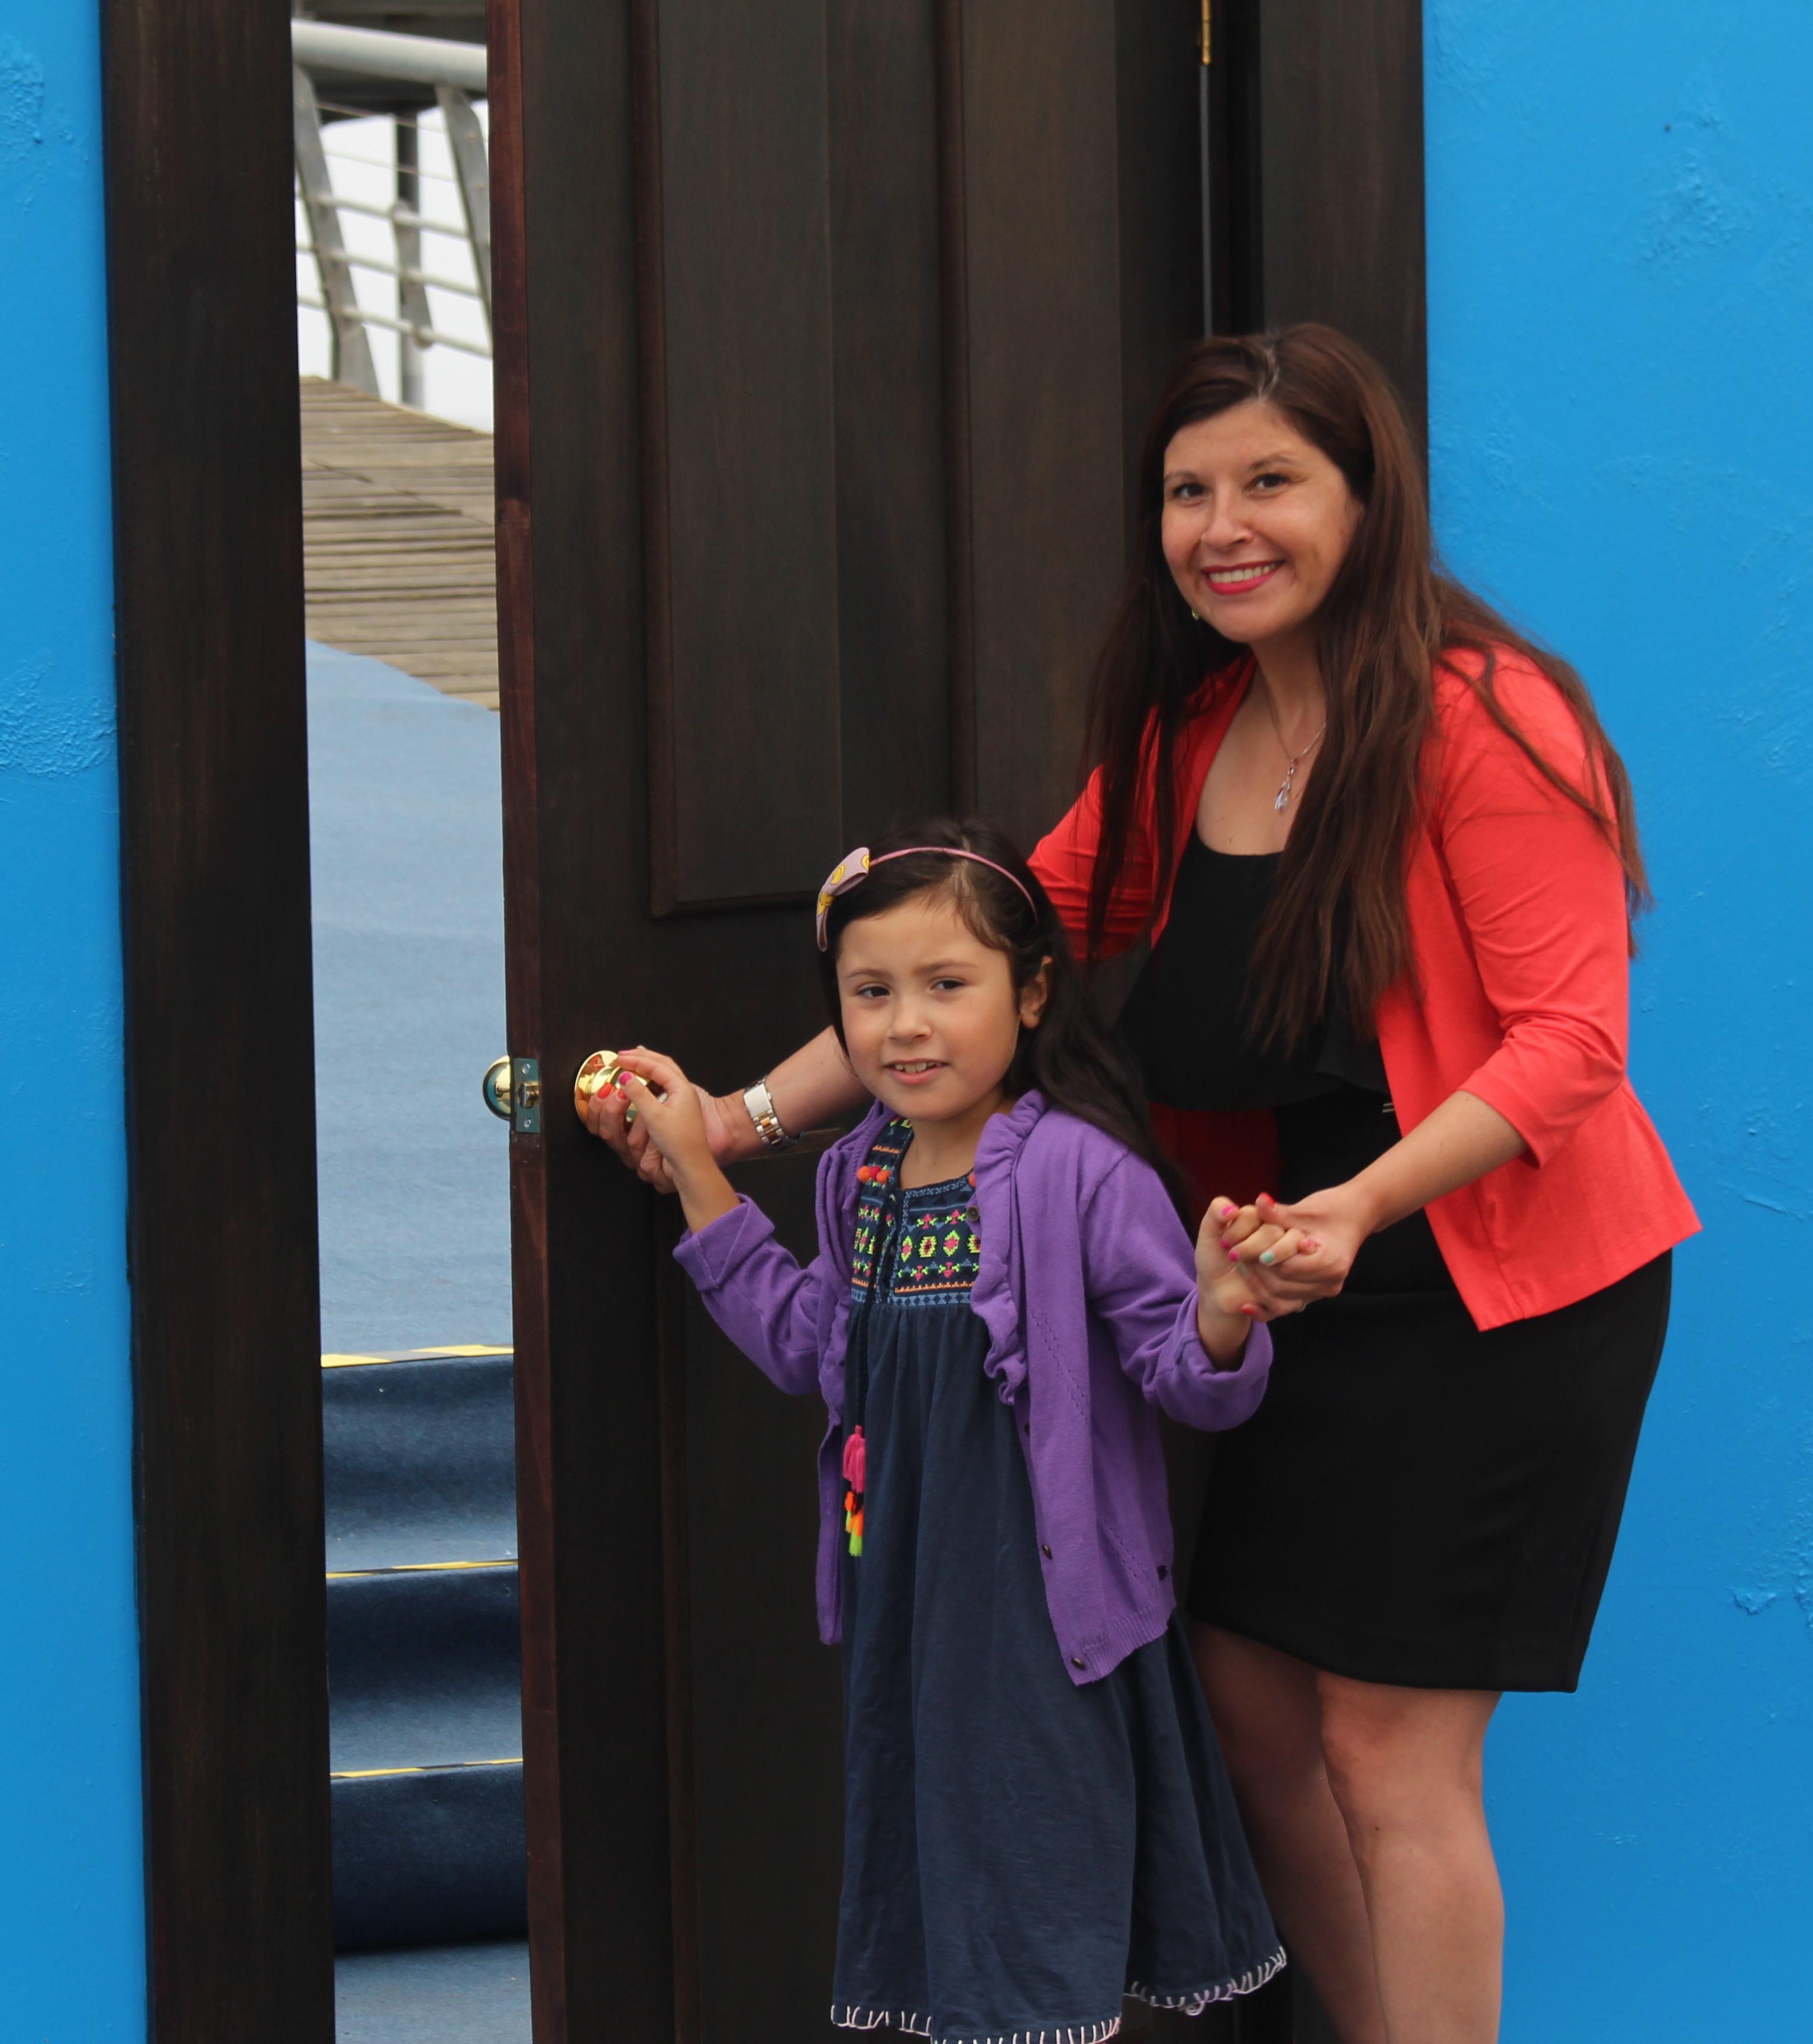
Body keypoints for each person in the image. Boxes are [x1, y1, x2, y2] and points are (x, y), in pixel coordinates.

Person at [589, 325, 1698, 2044]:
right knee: (1255, 1709)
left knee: (1394, 1752)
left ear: (1366, 499)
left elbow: (1571, 1046)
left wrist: (1362, 1209)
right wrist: (737, 1124)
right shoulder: (1194, 739)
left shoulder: (1488, 717)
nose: (1222, 524)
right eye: (1190, 491)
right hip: (1279, 1279)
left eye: (1271, 482)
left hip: (1490, 1289)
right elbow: (982, 941)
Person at [616, 819, 1291, 2044]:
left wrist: (1226, 1313)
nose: (905, 1025)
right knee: (956, 1910)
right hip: (911, 1620)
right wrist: (701, 1171)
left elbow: (1188, 1381)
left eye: (946, 986)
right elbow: (807, 1348)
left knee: (1040, 1907)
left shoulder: (1084, 1173)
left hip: (1044, 1628)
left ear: (1031, 994)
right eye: (870, 993)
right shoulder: (859, 1177)